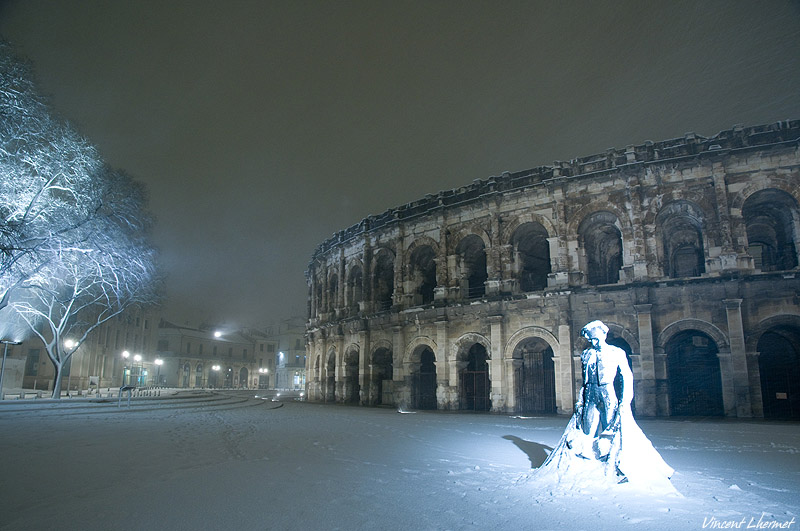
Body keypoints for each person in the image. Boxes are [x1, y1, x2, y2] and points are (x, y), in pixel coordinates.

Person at [533, 320, 675, 492]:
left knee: (609, 429)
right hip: (590, 393)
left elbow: (627, 377)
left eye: (596, 338)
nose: (594, 342)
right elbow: (584, 381)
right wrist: (580, 400)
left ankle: (610, 461)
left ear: (604, 335)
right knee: (587, 429)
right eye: (591, 340)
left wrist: (625, 400)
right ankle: (585, 461)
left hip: (608, 392)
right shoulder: (586, 354)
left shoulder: (617, 353)